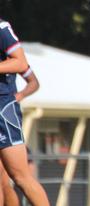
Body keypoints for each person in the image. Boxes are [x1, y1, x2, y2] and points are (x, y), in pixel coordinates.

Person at [0, 19, 49, 205]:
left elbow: (23, 66)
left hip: (3, 110)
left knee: (18, 177)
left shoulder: (1, 29)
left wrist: (19, 96)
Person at [0, 67, 41, 206]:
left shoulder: (10, 54)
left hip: (6, 120)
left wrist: (19, 95)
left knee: (12, 179)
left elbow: (33, 82)